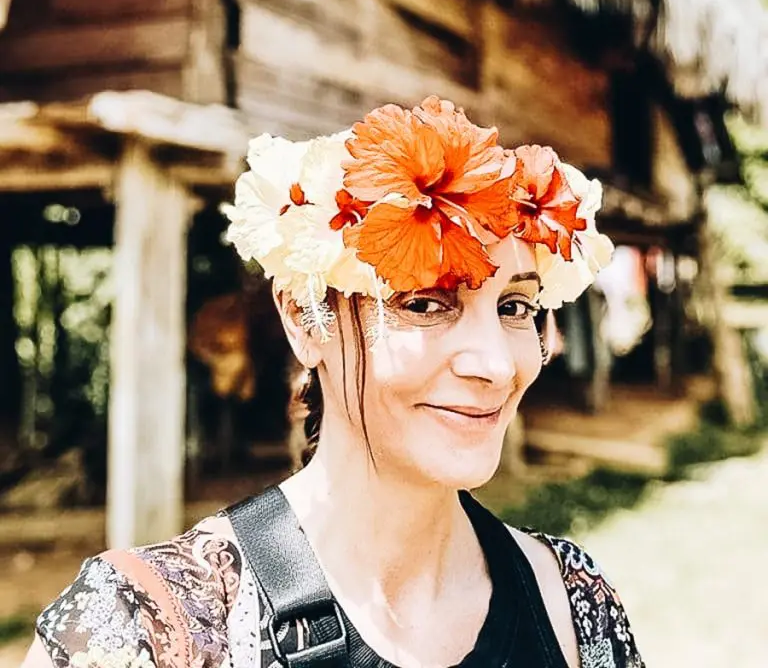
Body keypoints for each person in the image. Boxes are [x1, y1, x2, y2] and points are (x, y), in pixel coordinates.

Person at [22, 96, 644, 668]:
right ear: (304, 317)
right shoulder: (150, 631)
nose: (497, 364)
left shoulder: (573, 604)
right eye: (424, 304)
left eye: (515, 308)